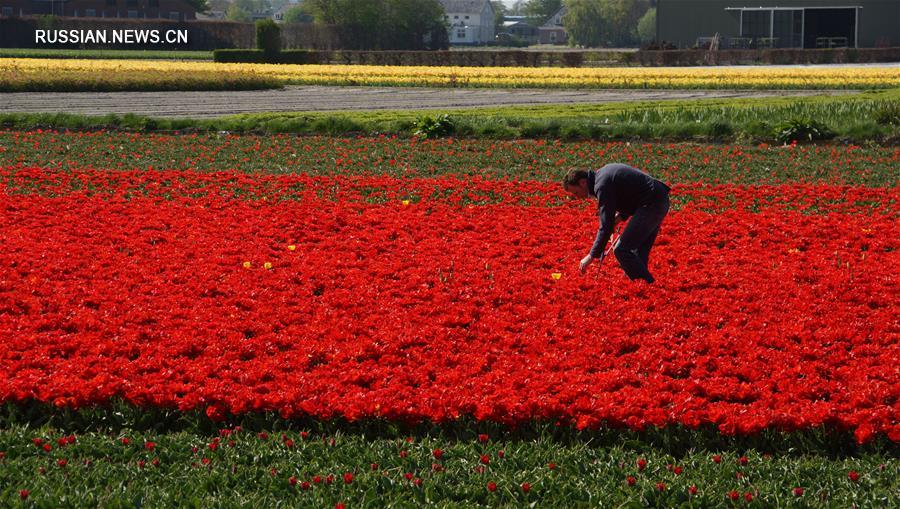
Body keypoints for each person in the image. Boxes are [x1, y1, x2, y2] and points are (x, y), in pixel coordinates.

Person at [562, 163, 671, 283]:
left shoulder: (601, 184)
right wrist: (618, 218)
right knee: (638, 253)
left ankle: (650, 287)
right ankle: (644, 289)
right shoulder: (602, 176)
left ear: (582, 182)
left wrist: (591, 256)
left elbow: (606, 224)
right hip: (658, 199)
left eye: (576, 193)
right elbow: (631, 195)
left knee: (621, 249)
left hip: (652, 204)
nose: (578, 197)